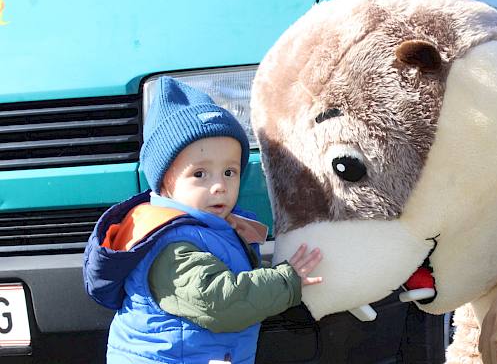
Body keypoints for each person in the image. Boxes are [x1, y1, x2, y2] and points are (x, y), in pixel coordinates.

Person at [83, 77, 322, 364]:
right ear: (165, 183)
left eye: (230, 172)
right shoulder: (171, 245)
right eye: (200, 174)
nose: (219, 185)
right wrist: (286, 281)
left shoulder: (210, 229)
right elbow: (219, 302)